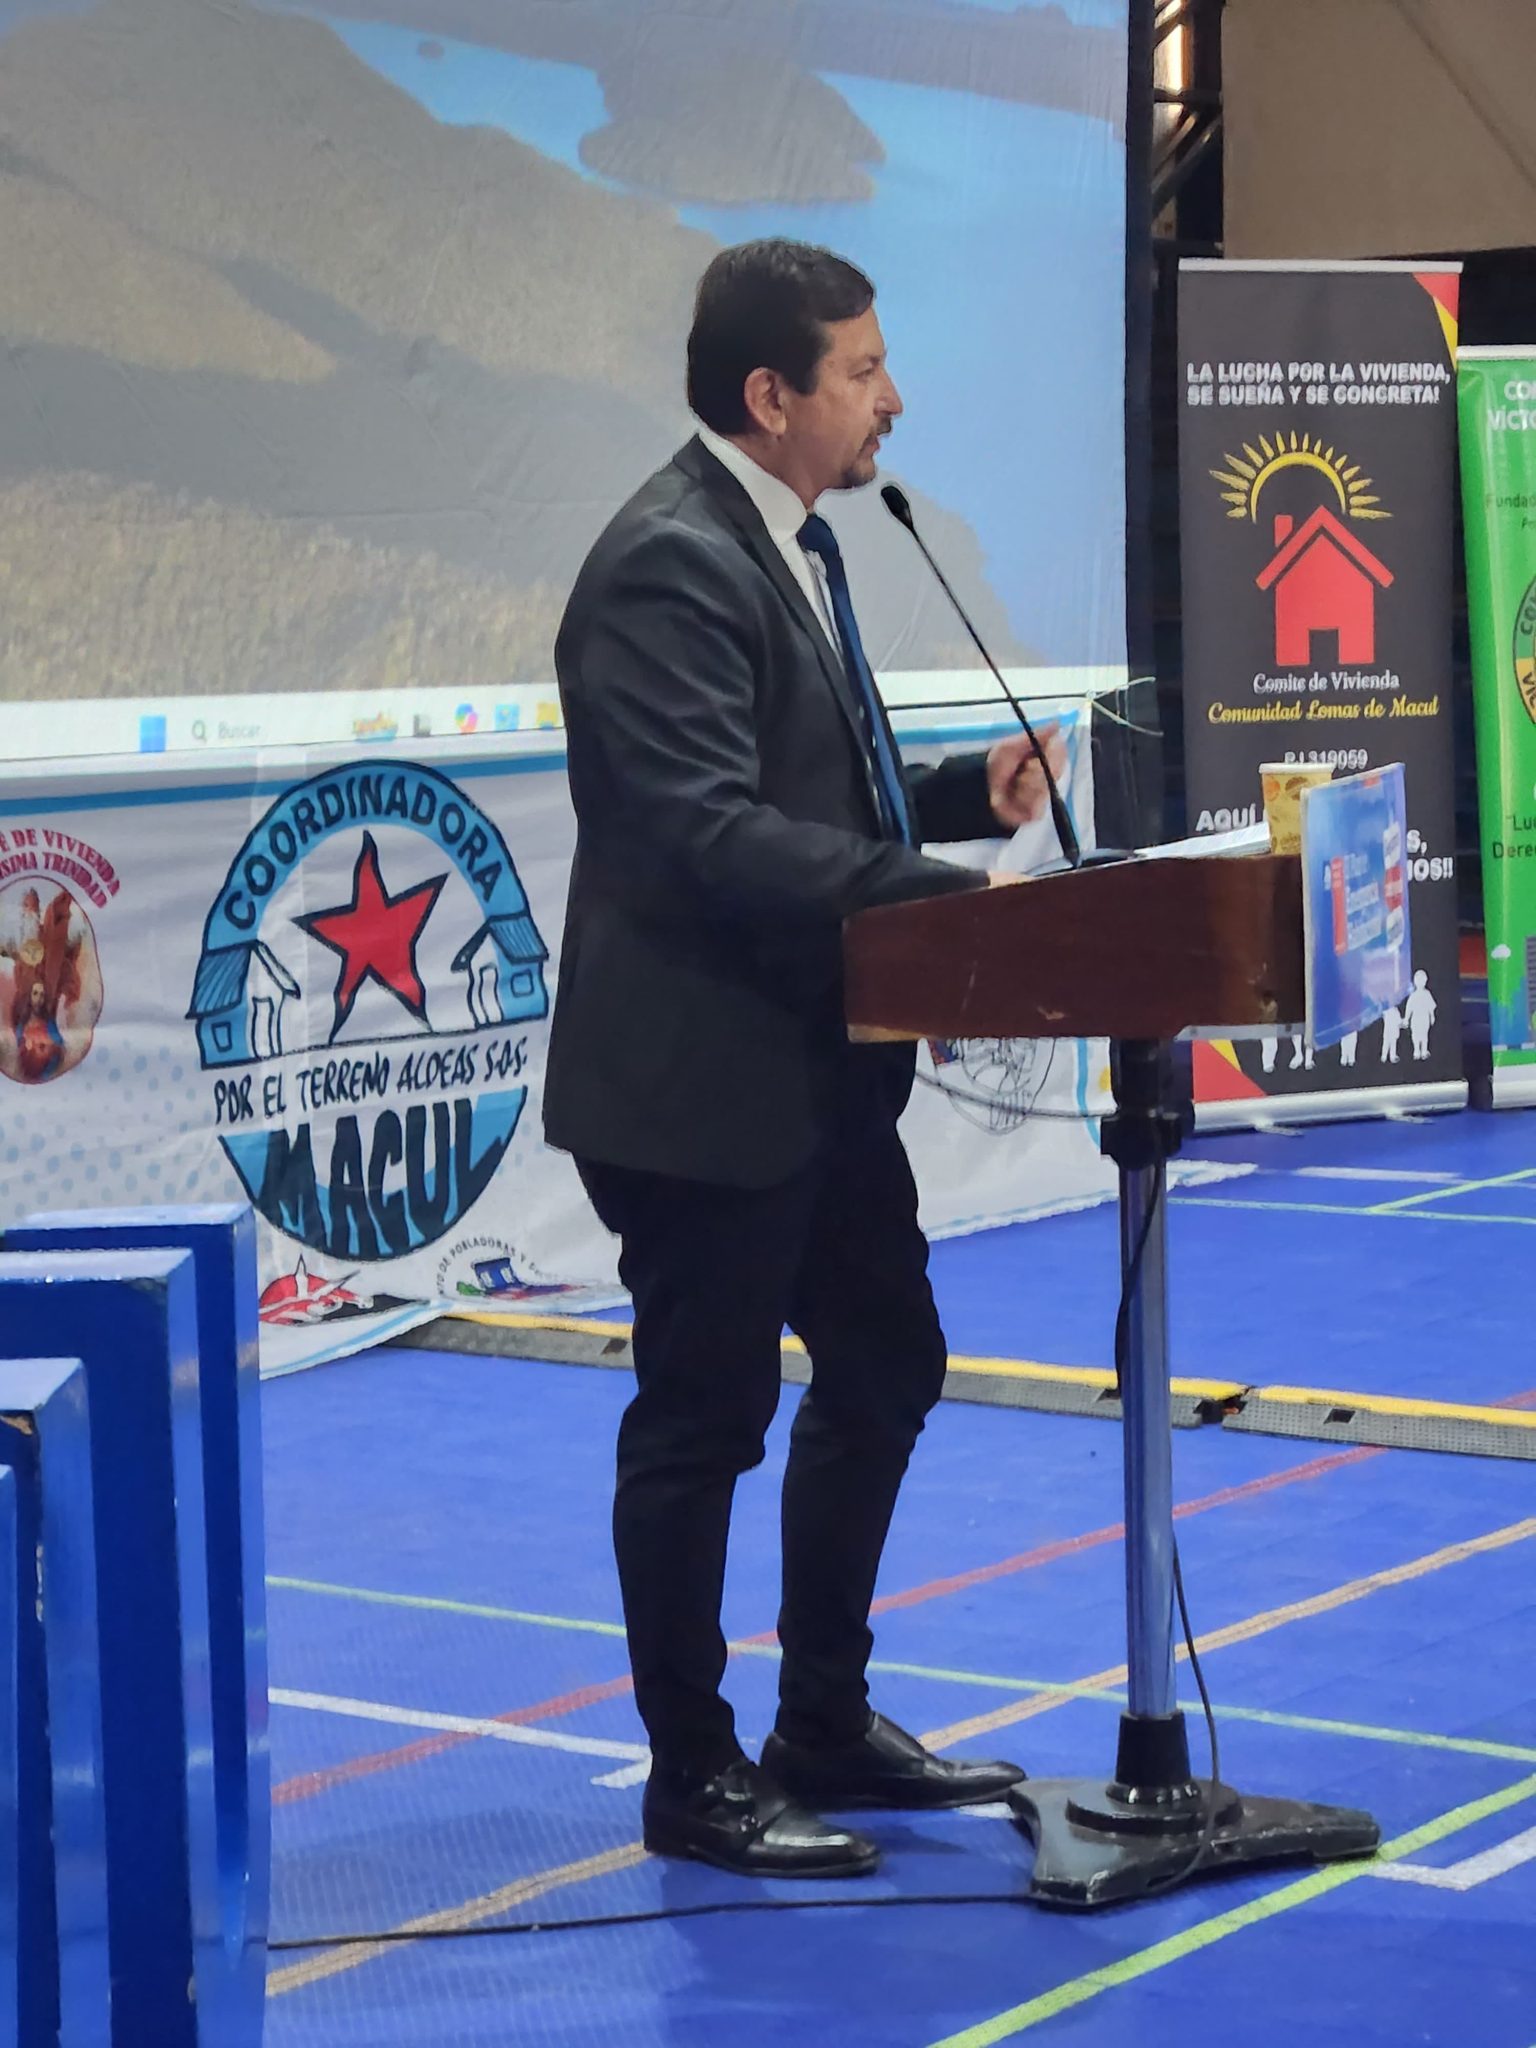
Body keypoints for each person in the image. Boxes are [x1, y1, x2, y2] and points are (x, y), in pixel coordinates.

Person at [546, 240, 1064, 1878]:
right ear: (770, 396)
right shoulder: (667, 562)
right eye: (862, 370)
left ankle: (822, 1721)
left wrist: (956, 792)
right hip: (700, 1084)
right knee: (703, 1419)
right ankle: (692, 1769)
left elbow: (803, 782)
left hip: (816, 1070)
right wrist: (946, 894)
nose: (891, 398)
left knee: (886, 1357)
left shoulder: (796, 537)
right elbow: (703, 832)